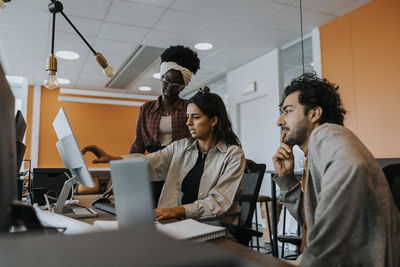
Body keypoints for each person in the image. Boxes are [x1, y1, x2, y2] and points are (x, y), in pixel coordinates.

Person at [272, 73, 400, 266]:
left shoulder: (326, 133)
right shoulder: (314, 155)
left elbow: (351, 166)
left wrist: (310, 260)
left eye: (287, 111)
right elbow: (314, 220)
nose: (279, 121)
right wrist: (287, 178)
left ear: (314, 114)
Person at [83, 87, 245, 225]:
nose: (188, 123)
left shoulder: (233, 155)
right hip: (173, 224)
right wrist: (114, 159)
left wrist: (177, 210)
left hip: (209, 228)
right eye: (187, 117)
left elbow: (219, 202)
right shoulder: (180, 146)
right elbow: (150, 162)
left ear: (213, 120)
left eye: (195, 117)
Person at [129, 45, 200, 154]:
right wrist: (127, 165)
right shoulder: (146, 109)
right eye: (166, 82)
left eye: (176, 85)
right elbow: (139, 143)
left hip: (182, 161)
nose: (169, 88)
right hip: (154, 162)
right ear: (161, 78)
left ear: (183, 86)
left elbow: (197, 138)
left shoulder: (189, 107)